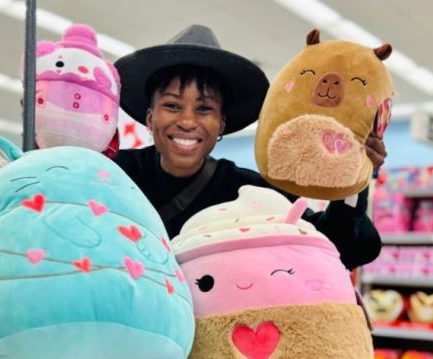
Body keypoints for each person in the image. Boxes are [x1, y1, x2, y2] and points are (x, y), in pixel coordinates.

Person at [112, 25, 383, 269]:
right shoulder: (112, 174)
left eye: (204, 109)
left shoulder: (250, 193)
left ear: (221, 123)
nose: (187, 121)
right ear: (150, 116)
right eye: (172, 105)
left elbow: (344, 247)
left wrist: (353, 171)